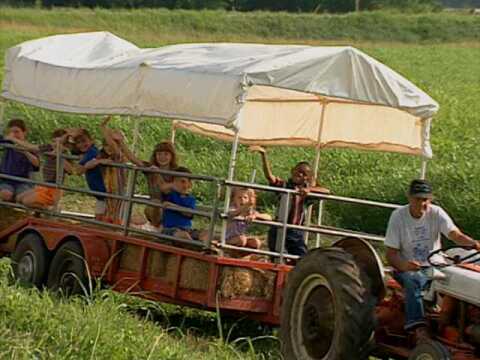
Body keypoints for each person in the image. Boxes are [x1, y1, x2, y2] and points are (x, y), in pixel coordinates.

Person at [385, 179, 480, 343]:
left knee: (458, 276)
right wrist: (404, 265)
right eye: (418, 199)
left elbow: (454, 234)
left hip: (436, 265)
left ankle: (452, 321)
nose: (422, 203)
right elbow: (391, 254)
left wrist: (472, 243)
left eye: (425, 199)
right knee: (414, 279)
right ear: (409, 197)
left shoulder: (436, 212)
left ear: (430, 199)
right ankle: (418, 327)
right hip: (409, 266)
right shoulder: (398, 217)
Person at [250, 145, 329, 257]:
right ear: (292, 171)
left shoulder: (305, 193)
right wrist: (264, 155)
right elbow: (270, 177)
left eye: (304, 174)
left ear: (307, 178)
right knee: (276, 257)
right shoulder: (285, 185)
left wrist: (309, 189)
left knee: (302, 258)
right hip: (278, 228)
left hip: (295, 231)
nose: (299, 174)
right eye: (298, 171)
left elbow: (326, 191)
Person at [7, 129, 73, 208]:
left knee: (26, 201)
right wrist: (14, 140)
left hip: (54, 189)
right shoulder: (49, 147)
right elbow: (32, 147)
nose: (55, 144)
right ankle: (40, 208)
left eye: (59, 143)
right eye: (54, 141)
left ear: (66, 145)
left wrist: (59, 156)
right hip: (44, 185)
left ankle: (46, 210)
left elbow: (70, 170)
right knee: (19, 198)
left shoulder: (65, 154)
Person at [118, 139, 177, 227]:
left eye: (166, 154)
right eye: (159, 154)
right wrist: (120, 141)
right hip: (154, 208)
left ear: (172, 156)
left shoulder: (176, 172)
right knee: (154, 203)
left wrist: (157, 174)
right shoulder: (150, 168)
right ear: (155, 156)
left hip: (170, 207)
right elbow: (133, 159)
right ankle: (153, 226)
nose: (162, 157)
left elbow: (167, 191)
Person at [93, 116, 127, 224]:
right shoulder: (103, 157)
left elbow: (114, 147)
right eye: (106, 145)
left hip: (117, 192)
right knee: (106, 215)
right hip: (108, 190)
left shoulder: (119, 156)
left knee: (115, 216)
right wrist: (99, 161)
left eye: (112, 144)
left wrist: (103, 127)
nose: (109, 147)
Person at [161, 166, 207, 242]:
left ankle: (203, 247)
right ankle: (195, 248)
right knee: (183, 235)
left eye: (183, 181)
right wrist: (173, 185)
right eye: (177, 181)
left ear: (189, 184)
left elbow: (189, 214)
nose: (180, 184)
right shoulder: (171, 194)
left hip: (187, 229)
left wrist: (174, 206)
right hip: (170, 229)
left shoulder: (191, 199)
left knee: (205, 233)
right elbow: (162, 188)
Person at [0, 119, 39, 202]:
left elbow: (36, 164)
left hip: (23, 181)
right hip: (6, 180)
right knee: (6, 194)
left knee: (25, 198)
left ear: (24, 132)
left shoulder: (30, 147)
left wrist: (25, 152)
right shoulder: (8, 143)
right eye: (11, 132)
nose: (13, 135)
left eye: (16, 132)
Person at [73, 129, 108, 220]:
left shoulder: (91, 152)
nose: (82, 144)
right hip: (100, 194)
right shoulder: (89, 152)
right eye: (78, 142)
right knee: (100, 218)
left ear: (91, 140)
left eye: (84, 141)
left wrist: (83, 166)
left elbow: (78, 171)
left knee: (102, 219)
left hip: (103, 192)